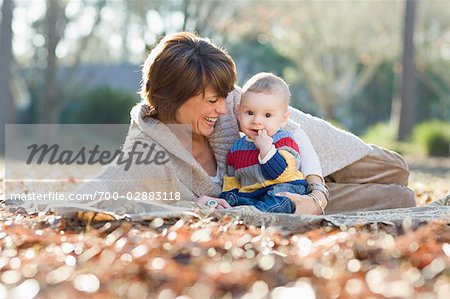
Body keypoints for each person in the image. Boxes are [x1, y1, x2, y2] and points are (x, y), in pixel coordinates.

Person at [70, 31, 415, 216]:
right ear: (172, 98)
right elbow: (94, 194)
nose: (225, 108)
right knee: (400, 197)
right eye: (211, 100)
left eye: (225, 95)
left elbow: (290, 127)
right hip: (276, 198)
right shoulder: (146, 149)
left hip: (297, 150)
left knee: (394, 169)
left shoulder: (232, 102)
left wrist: (318, 195)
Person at [219, 72, 327, 214]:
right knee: (234, 199)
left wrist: (266, 150)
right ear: (239, 112)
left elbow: (280, 173)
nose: (257, 120)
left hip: (284, 187)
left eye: (267, 115)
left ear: (283, 119)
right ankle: (244, 211)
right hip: (253, 194)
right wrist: (226, 196)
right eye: (250, 113)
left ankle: (257, 214)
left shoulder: (284, 140)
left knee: (280, 201)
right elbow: (233, 179)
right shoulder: (236, 148)